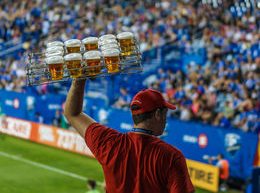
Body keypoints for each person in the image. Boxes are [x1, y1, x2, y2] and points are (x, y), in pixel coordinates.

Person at [64, 78, 194, 193]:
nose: (166, 120)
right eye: (165, 114)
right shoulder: (172, 156)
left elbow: (72, 114)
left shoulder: (109, 142)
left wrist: (78, 80)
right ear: (157, 114)